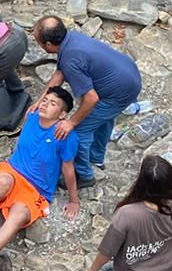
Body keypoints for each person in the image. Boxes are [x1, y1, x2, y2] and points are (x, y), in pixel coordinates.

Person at [33, 16, 142, 189]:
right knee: (102, 120)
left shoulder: (71, 59)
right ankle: (96, 158)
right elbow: (60, 73)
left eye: (37, 40)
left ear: (48, 44)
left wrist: (71, 122)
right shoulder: (70, 39)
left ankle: (84, 175)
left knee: (81, 131)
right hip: (129, 78)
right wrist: (40, 100)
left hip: (117, 93)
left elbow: (91, 98)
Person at [0, 87, 80, 251]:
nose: (45, 105)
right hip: (13, 171)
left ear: (62, 115)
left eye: (53, 104)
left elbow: (68, 169)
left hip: (36, 188)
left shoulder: (65, 136)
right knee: (0, 185)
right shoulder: (31, 116)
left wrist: (74, 201)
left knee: (18, 216)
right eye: (45, 100)